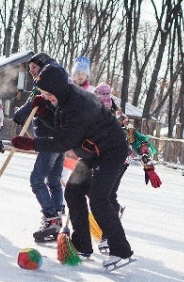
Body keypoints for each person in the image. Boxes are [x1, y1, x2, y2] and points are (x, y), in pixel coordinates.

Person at [11, 64, 134, 266]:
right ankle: (82, 245)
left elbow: (64, 141)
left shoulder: (79, 105)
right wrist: (44, 113)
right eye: (44, 93)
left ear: (58, 89)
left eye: (48, 93)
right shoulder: (66, 100)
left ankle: (121, 251)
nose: (47, 97)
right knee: (73, 192)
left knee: (98, 199)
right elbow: (63, 127)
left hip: (111, 151)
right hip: (92, 153)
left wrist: (32, 144)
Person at [93, 82, 162, 251]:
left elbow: (138, 140)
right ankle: (111, 224)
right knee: (107, 195)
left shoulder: (117, 118)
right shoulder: (101, 114)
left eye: (102, 98)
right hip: (111, 160)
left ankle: (109, 234)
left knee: (102, 197)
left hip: (118, 161)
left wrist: (149, 167)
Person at [13, 53, 65, 242]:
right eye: (29, 69)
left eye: (33, 67)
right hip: (60, 138)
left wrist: (21, 114)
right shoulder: (59, 76)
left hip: (49, 138)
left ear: (41, 65)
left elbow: (33, 102)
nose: (31, 72)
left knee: (37, 180)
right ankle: (57, 217)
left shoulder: (47, 77)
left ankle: (51, 218)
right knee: (54, 179)